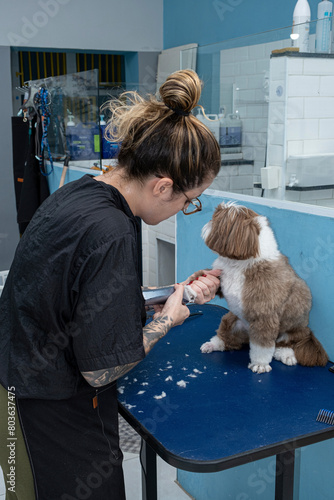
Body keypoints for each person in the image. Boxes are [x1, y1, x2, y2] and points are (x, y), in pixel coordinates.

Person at [0, 69, 221, 499]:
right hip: (36, 404)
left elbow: (76, 291)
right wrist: (169, 321)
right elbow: (101, 369)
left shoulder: (83, 193)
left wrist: (158, 298)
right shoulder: (113, 229)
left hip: (17, 381)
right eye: (190, 201)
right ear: (163, 186)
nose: (186, 209)